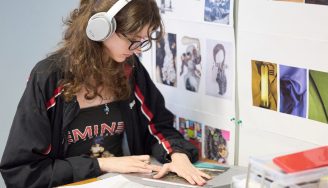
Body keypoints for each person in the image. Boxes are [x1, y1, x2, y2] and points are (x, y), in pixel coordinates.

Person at [0, 0, 211, 187]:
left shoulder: (130, 69)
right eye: (133, 39)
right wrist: (102, 164)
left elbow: (157, 126)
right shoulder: (49, 77)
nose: (138, 49)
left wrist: (178, 154)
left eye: (144, 40)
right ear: (100, 29)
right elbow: (22, 172)